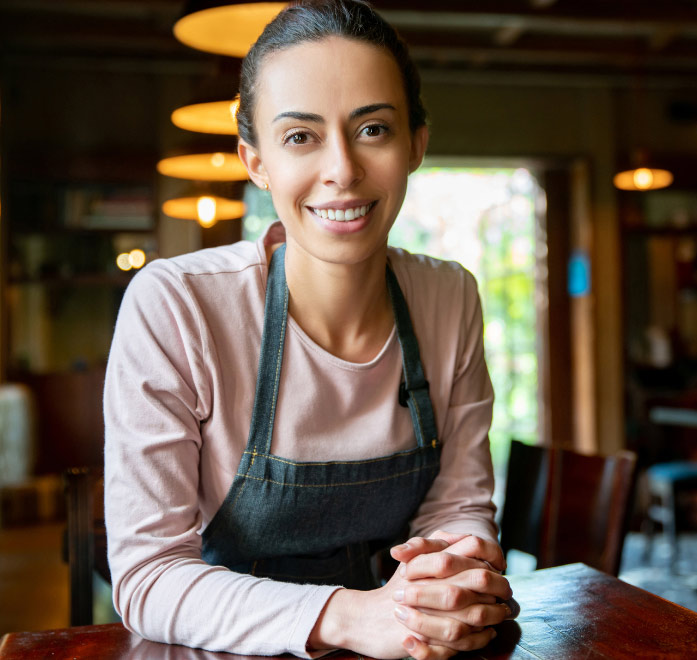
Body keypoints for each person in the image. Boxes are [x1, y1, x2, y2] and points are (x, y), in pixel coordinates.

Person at [103, 2, 512, 658]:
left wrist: (452, 576)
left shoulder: (448, 296)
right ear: (255, 160)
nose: (343, 170)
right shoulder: (178, 305)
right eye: (300, 137)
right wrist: (353, 616)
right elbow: (149, 579)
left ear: (417, 143)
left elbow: (458, 507)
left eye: (373, 129)